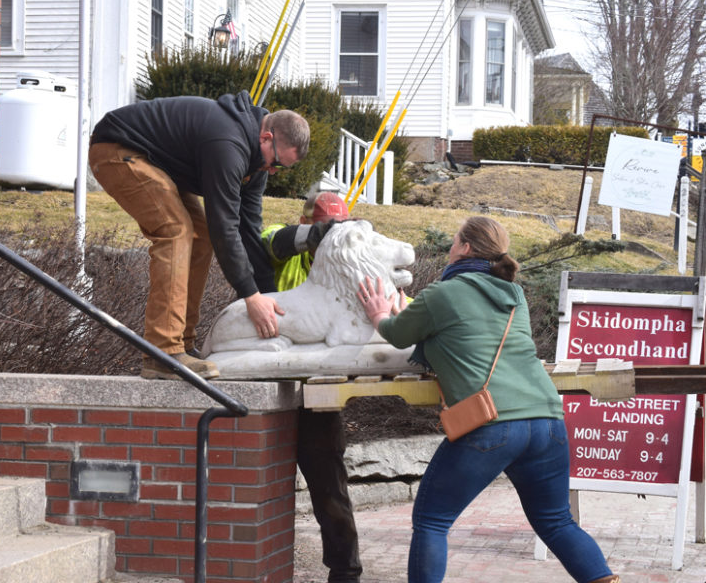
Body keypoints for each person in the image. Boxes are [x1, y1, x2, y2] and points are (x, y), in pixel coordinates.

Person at [357, 216, 619, 583]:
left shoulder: (443, 294)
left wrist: (380, 314)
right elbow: (470, 334)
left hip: (492, 425)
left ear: (465, 248)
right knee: (557, 522)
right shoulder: (515, 295)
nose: (449, 250)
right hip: (548, 421)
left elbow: (398, 335)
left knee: (432, 521)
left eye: (453, 242)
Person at [88, 91, 309, 380]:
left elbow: (249, 230)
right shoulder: (228, 143)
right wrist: (250, 296)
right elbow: (225, 225)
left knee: (200, 236)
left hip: (155, 163)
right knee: (176, 231)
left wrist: (267, 298)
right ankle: (163, 351)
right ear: (266, 137)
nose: (274, 171)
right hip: (116, 148)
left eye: (282, 168)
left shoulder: (256, 165)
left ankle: (182, 344)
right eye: (277, 163)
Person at [261, 191, 363, 583]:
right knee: (263, 484)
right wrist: (314, 235)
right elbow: (270, 240)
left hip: (319, 393)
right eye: (325, 229)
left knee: (329, 488)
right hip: (272, 385)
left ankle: (345, 571)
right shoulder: (286, 245)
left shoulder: (348, 264)